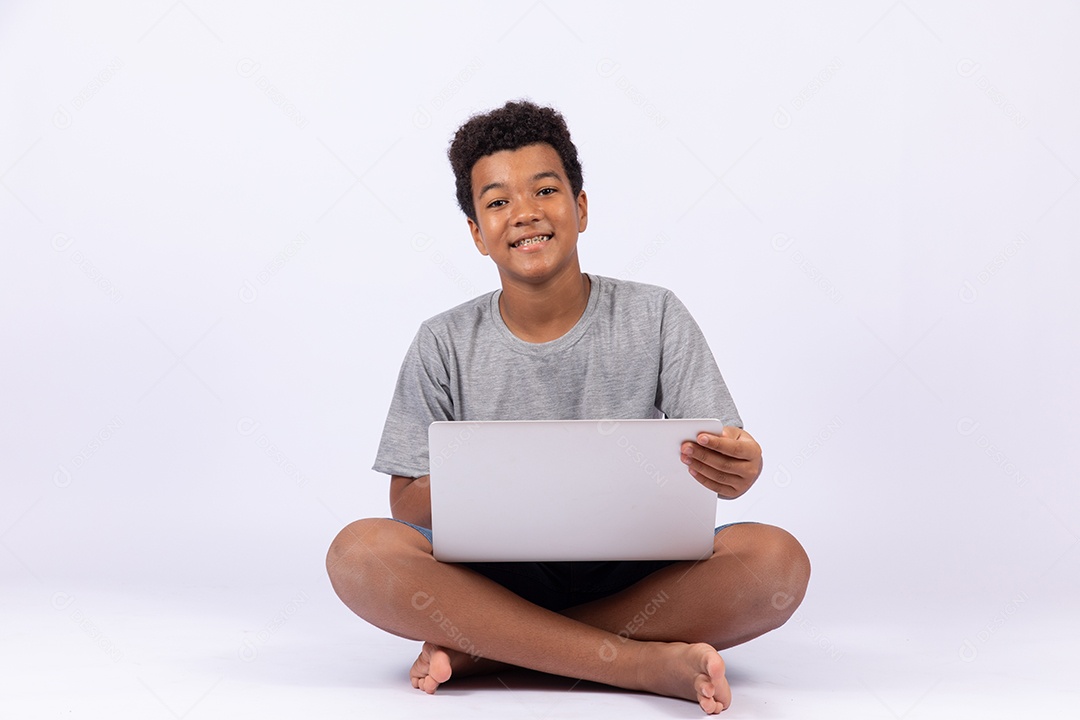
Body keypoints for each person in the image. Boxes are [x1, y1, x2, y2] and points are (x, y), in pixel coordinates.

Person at [326, 100, 810, 714]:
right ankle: (638, 664)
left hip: (637, 575)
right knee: (359, 553)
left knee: (777, 563)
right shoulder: (442, 341)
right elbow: (406, 503)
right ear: (476, 232)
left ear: (580, 208)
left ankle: (495, 650)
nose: (524, 213)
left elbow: (723, 455)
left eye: (545, 190)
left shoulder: (655, 315)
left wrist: (740, 466)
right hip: (490, 576)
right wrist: (511, 479)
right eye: (497, 201)